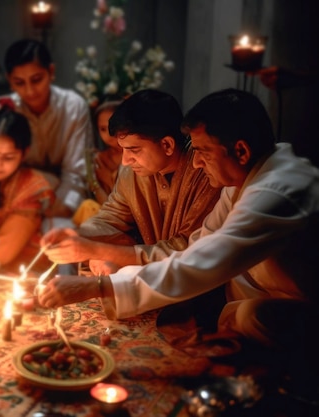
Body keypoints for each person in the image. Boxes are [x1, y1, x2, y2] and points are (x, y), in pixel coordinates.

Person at [38, 88, 319, 390]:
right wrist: (81, 241)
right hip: (237, 302)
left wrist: (98, 286)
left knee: (252, 317)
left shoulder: (275, 192)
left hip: (289, 306)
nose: (196, 162)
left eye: (202, 151)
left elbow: (200, 261)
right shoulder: (239, 183)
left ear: (240, 152)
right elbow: (201, 246)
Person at [42, 89, 221, 275]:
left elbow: (188, 249)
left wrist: (96, 250)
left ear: (167, 145)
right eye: (123, 150)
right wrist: (77, 236)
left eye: (134, 150)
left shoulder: (206, 170)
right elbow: (112, 217)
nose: (125, 160)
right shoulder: (131, 172)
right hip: (150, 276)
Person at [0, 39, 94, 224]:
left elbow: (76, 174)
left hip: (61, 198)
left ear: (51, 72)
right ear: (9, 81)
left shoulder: (73, 107)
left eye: (36, 80)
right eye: (19, 82)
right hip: (11, 198)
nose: (29, 91)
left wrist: (58, 210)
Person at [0, 106, 55, 273]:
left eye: (8, 157)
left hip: (19, 272)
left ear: (24, 153)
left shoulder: (31, 188)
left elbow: (1, 251)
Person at [72, 96, 124, 226]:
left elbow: (125, 210)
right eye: (103, 129)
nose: (109, 135)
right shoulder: (98, 159)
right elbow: (102, 205)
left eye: (113, 127)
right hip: (105, 216)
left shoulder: (138, 159)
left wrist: (108, 180)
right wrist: (96, 184)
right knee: (88, 207)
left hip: (125, 222)